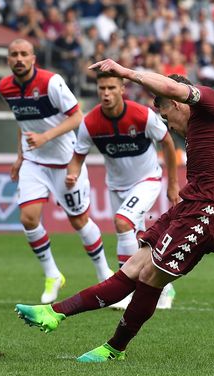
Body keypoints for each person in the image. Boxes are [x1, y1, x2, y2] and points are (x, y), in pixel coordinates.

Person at [15, 58, 214, 362]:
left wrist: (125, 73)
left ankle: (114, 349)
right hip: (189, 206)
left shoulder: (210, 103)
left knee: (149, 278)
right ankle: (54, 313)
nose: (168, 125)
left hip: (208, 213)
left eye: (166, 114)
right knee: (132, 269)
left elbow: (174, 86)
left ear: (177, 102)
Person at [0, 39, 113, 304]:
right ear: (8, 60)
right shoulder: (5, 87)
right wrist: (19, 157)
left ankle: (104, 273)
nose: (19, 58)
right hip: (34, 162)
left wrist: (46, 137)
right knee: (28, 218)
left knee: (79, 221)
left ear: (33, 58)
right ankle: (52, 274)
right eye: (13, 54)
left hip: (64, 161)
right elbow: (23, 122)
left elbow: (77, 117)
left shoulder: (52, 82)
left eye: (24, 54)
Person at [66, 72, 180, 310]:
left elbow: (168, 142)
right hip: (116, 186)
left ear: (121, 90)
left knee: (122, 222)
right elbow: (77, 157)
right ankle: (164, 286)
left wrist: (172, 184)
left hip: (147, 180)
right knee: (139, 241)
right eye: (102, 89)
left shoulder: (142, 115)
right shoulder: (91, 122)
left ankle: (124, 293)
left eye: (111, 88)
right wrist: (72, 174)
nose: (106, 93)